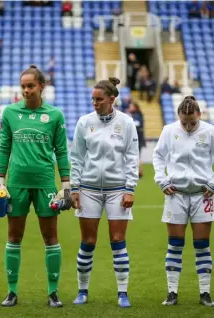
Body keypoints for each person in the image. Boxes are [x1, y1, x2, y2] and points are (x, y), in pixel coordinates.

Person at [0, 65, 72, 308]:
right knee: (14, 236)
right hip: (16, 184)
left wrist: (66, 185)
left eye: (30, 86)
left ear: (41, 87)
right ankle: (12, 292)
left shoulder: (55, 115)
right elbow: (4, 147)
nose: (26, 91)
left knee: (50, 237)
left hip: (46, 184)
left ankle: (53, 292)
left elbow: (61, 151)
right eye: (23, 86)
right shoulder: (10, 113)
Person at [70, 77, 139, 307]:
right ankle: (82, 291)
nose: (94, 103)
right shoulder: (84, 122)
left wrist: (130, 188)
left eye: (99, 99)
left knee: (118, 240)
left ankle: (122, 292)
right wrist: (75, 187)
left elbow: (131, 158)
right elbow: (77, 157)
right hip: (88, 189)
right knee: (87, 241)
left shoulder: (127, 123)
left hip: (117, 190)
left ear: (112, 99)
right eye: (92, 99)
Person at [152, 95, 214, 307]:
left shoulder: (210, 131)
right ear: (178, 116)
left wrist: (212, 183)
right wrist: (161, 180)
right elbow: (158, 157)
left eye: (192, 122)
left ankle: (205, 293)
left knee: (202, 245)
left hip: (202, 195)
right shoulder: (169, 131)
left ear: (199, 115)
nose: (188, 126)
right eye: (184, 122)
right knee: (175, 245)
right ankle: (172, 292)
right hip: (175, 194)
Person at [127, 101, 146, 177]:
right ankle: (137, 172)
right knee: (135, 156)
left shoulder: (137, 115)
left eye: (131, 106)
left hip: (138, 140)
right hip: (136, 139)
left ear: (135, 107)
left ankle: (139, 172)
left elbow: (136, 124)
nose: (129, 108)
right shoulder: (135, 115)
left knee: (136, 156)